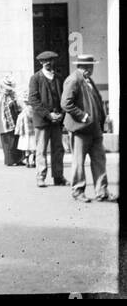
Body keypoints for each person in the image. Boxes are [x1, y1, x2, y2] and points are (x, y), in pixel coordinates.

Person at [62, 55, 112, 203]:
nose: (92, 69)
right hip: (81, 128)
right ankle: (78, 191)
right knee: (79, 161)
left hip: (94, 128)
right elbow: (66, 103)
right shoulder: (73, 80)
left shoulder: (87, 80)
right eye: (90, 66)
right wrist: (82, 116)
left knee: (99, 160)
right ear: (85, 67)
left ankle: (102, 192)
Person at [27, 50, 67, 187]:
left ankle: (58, 176)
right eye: (46, 61)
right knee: (41, 149)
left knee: (58, 149)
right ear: (41, 62)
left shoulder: (59, 78)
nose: (49, 63)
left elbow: (63, 98)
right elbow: (33, 99)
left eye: (51, 60)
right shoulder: (36, 78)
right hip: (42, 121)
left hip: (56, 121)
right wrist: (48, 115)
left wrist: (61, 113)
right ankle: (40, 177)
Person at [0, 75, 24, 166]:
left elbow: (17, 106)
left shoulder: (11, 95)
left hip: (14, 120)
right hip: (6, 122)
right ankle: (10, 160)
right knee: (9, 142)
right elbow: (0, 111)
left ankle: (18, 159)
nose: (8, 90)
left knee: (16, 140)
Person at [16, 101, 37, 168]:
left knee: (27, 149)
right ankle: (34, 161)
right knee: (34, 149)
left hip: (25, 133)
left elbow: (19, 123)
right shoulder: (34, 111)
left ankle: (27, 162)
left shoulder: (23, 113)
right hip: (34, 132)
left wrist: (17, 131)